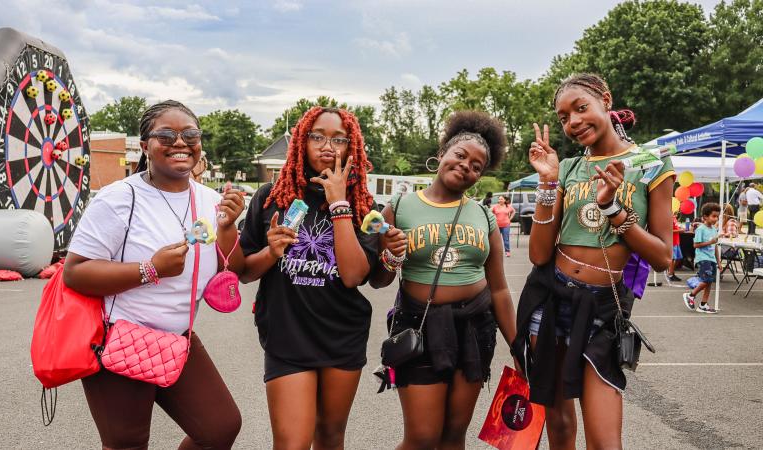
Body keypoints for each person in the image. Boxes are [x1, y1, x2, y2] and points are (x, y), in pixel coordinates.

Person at [64, 100, 245, 449]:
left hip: (178, 338)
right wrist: (150, 270)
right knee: (128, 443)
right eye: (166, 135)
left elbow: (231, 269)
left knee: (220, 427)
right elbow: (75, 272)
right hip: (122, 337)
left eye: (190, 134)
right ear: (145, 145)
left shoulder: (210, 199)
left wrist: (229, 227)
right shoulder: (120, 198)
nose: (180, 142)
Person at [512, 73, 674, 449]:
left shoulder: (651, 164)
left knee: (604, 440)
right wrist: (548, 183)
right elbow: (538, 254)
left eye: (580, 108)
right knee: (560, 426)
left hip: (603, 309)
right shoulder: (566, 169)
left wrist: (613, 209)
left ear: (605, 99)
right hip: (550, 301)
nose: (573, 123)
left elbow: (663, 257)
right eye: (564, 117)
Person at [370, 110, 518, 449]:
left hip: (475, 327)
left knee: (453, 436)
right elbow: (378, 280)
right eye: (460, 155)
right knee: (422, 438)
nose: (467, 165)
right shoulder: (401, 206)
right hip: (418, 326)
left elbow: (499, 289)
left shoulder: (483, 215)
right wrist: (391, 255)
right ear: (441, 155)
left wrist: (517, 346)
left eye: (477, 166)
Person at [239, 106, 379, 449]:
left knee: (330, 437)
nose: (327, 146)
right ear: (302, 141)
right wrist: (271, 253)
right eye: (318, 136)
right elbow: (243, 272)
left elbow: (354, 276)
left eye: (338, 139)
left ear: (351, 147)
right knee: (292, 443)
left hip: (341, 334)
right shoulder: (272, 197)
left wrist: (339, 204)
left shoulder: (363, 205)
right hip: (288, 334)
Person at [683, 203, 723, 313]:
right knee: (707, 280)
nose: (716, 219)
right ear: (705, 217)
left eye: (717, 217)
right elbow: (696, 245)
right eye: (714, 216)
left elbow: (714, 247)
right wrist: (710, 241)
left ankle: (703, 305)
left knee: (709, 282)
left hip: (712, 259)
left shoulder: (714, 230)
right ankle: (691, 295)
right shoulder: (701, 229)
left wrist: (719, 262)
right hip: (703, 258)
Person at [667, 213, 683, 282]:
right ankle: (670, 274)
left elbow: (675, 227)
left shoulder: (674, 218)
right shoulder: (669, 218)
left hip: (676, 241)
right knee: (672, 259)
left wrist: (681, 229)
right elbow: (668, 230)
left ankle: (671, 272)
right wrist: (679, 230)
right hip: (672, 241)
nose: (677, 214)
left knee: (679, 258)